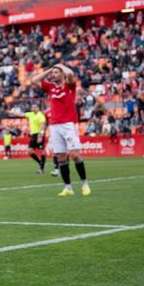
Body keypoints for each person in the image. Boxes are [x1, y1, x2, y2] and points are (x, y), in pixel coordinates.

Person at [30, 64, 91, 197]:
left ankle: (85, 184)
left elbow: (70, 74)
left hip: (68, 124)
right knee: (61, 157)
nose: (54, 75)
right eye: (54, 73)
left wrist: (60, 66)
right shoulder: (50, 87)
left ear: (62, 74)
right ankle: (68, 188)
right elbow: (34, 80)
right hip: (54, 126)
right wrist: (49, 70)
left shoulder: (69, 85)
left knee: (74, 155)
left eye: (57, 73)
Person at [24, 104, 48, 174]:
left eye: (35, 107)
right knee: (29, 151)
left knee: (41, 151)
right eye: (32, 107)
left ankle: (41, 169)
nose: (34, 108)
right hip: (33, 135)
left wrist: (40, 135)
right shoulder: (30, 114)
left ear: (38, 108)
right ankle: (40, 162)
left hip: (39, 134)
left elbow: (43, 126)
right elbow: (22, 114)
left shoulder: (41, 115)